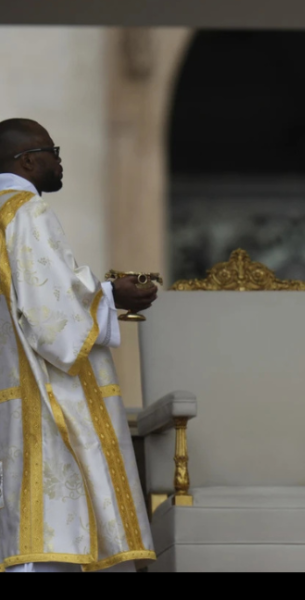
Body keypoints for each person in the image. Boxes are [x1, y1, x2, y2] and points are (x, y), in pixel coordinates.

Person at [0, 118, 157, 572]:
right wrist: (113, 294)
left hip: (12, 379)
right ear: (28, 161)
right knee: (54, 530)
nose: (60, 160)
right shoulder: (28, 212)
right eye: (52, 151)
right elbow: (50, 316)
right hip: (44, 391)